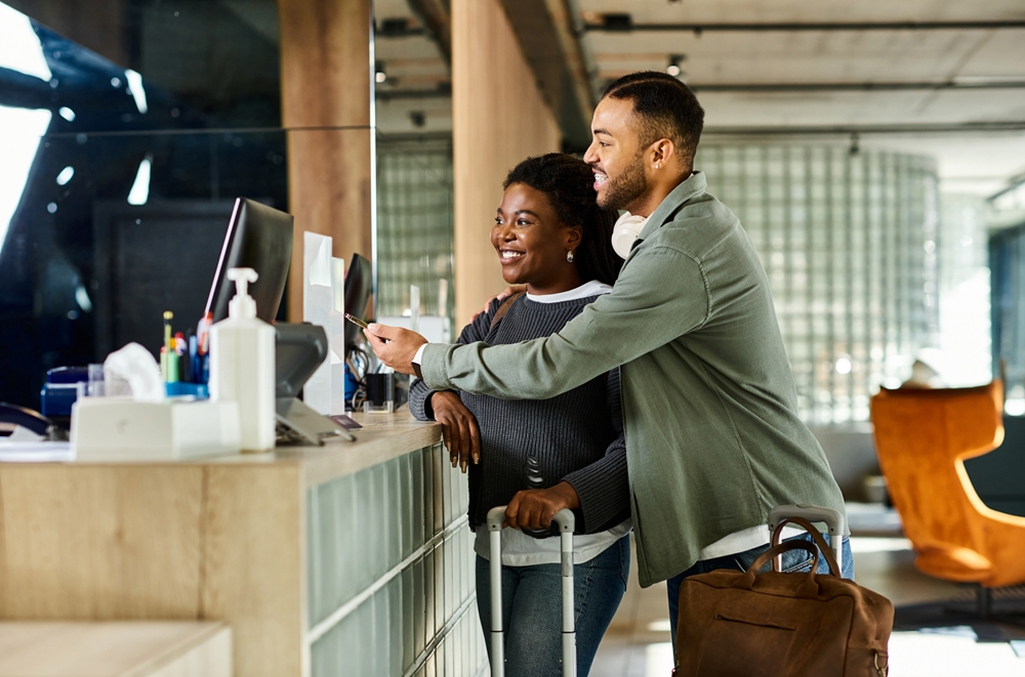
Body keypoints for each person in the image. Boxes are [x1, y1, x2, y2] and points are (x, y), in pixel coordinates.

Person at [366, 72, 853, 643]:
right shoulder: (657, 240)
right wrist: (447, 376)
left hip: (763, 533)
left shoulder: (679, 249)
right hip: (725, 533)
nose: (589, 155)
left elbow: (555, 364)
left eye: (605, 141)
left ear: (659, 153)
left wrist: (425, 356)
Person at [408, 153, 630, 676]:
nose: (503, 234)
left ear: (571, 236)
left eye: (523, 221)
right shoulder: (498, 315)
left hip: (577, 551)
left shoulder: (609, 317)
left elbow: (638, 445)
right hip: (495, 547)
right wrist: (438, 399)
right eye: (501, 218)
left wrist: (562, 494)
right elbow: (424, 378)